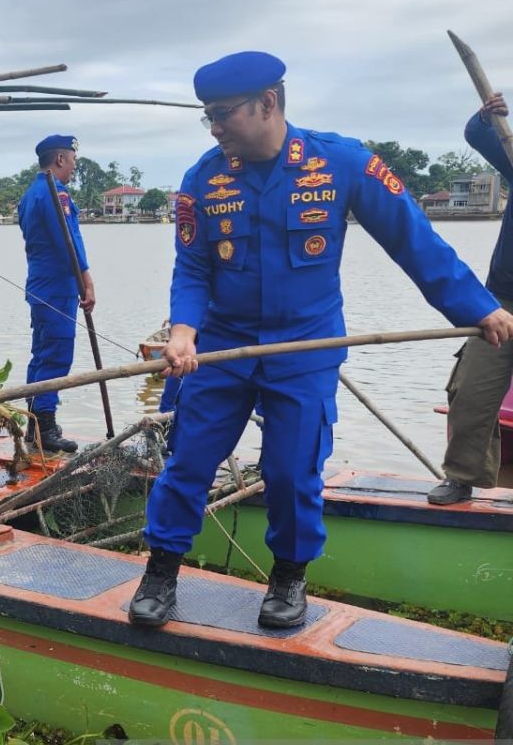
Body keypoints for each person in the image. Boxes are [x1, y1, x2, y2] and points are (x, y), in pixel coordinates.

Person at [128, 51, 513, 630]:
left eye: (223, 113)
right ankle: (161, 571)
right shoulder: (203, 178)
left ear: (269, 103)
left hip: (304, 349)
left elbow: (415, 242)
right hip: (223, 347)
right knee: (189, 462)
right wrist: (184, 328)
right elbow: (193, 268)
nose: (214, 127)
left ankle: (288, 576)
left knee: (291, 470)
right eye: (206, 116)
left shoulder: (343, 163)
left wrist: (480, 307)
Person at [432, 92, 513, 505]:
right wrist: (487, 119)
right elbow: (478, 136)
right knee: (471, 389)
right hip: (501, 301)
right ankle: (461, 477)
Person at [17, 134, 95, 454]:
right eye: (73, 159)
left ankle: (35, 424)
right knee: (56, 356)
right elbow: (70, 242)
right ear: (60, 159)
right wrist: (87, 280)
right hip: (57, 289)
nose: (75, 166)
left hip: (41, 286)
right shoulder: (54, 193)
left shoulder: (29, 195)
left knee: (41, 355)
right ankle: (45, 427)